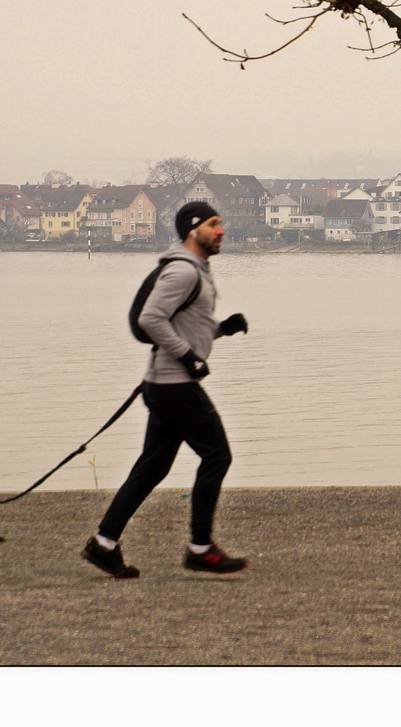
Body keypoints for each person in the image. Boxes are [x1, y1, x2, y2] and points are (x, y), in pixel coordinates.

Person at [81, 201, 250, 578]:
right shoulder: (183, 272)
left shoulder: (196, 270)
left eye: (220, 223)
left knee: (151, 467)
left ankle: (104, 543)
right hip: (175, 385)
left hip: (163, 384)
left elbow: (183, 323)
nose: (221, 231)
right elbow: (151, 318)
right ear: (193, 230)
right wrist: (188, 357)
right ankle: (200, 548)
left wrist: (222, 328)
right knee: (217, 456)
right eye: (213, 224)